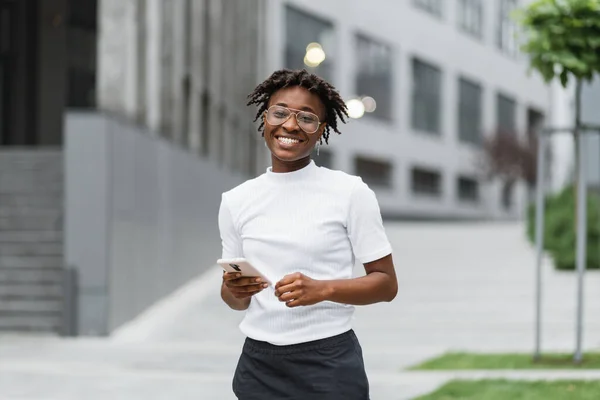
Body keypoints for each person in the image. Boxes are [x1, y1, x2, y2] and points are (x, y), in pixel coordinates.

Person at [218, 69, 397, 400]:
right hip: (258, 367)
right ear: (265, 118)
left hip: (329, 365)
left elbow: (386, 284)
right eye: (280, 112)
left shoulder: (349, 193)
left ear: (321, 131)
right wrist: (233, 289)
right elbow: (235, 302)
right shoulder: (236, 201)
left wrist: (323, 289)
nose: (290, 125)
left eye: (306, 118)